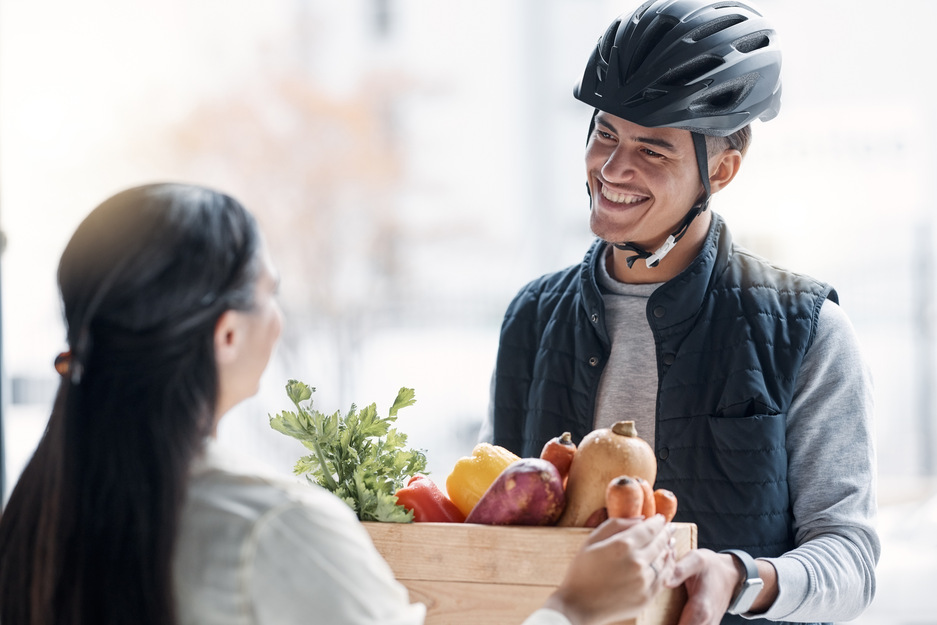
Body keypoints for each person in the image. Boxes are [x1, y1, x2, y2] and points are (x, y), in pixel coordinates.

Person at [0, 182, 676, 625]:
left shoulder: (34, 513)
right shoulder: (274, 526)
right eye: (270, 292)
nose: (279, 317)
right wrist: (573, 606)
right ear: (226, 333)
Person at [482, 1, 880, 624]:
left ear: (720, 169)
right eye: (606, 133)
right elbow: (495, 535)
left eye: (654, 149)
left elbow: (851, 559)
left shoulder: (808, 331)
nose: (613, 169)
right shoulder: (532, 320)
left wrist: (742, 577)